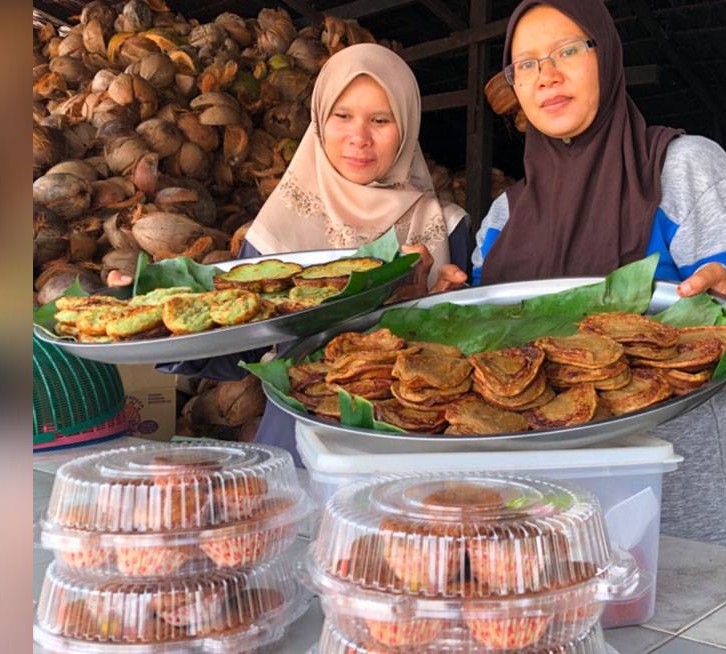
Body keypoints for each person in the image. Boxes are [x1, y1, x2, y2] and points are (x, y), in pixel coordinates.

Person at [469, 0, 726, 546]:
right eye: (527, 64)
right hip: (525, 515)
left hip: (667, 509)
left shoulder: (683, 171)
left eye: (568, 50)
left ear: (607, 55)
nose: (547, 76)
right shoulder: (502, 218)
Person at [110, 43, 470, 460]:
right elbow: (236, 349)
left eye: (380, 120)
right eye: (342, 116)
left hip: (413, 448)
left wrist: (432, 307)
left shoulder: (446, 227)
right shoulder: (278, 229)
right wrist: (148, 316)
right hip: (298, 443)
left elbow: (473, 354)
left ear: (407, 125)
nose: (359, 137)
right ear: (319, 120)